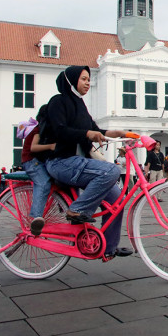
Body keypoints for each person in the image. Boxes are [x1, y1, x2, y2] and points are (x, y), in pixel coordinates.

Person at [43, 65, 134, 261]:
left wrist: (118, 133)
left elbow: (96, 130)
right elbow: (60, 130)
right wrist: (87, 134)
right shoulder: (58, 101)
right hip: (61, 162)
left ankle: (108, 248)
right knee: (111, 170)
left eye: (88, 79)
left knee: (117, 200)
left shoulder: (81, 106)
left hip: (79, 163)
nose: (88, 83)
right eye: (83, 79)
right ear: (71, 80)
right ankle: (77, 210)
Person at [18, 104, 57, 236]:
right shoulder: (38, 129)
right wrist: (50, 146)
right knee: (43, 182)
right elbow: (33, 148)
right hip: (31, 161)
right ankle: (36, 216)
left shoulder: (43, 128)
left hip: (37, 161)